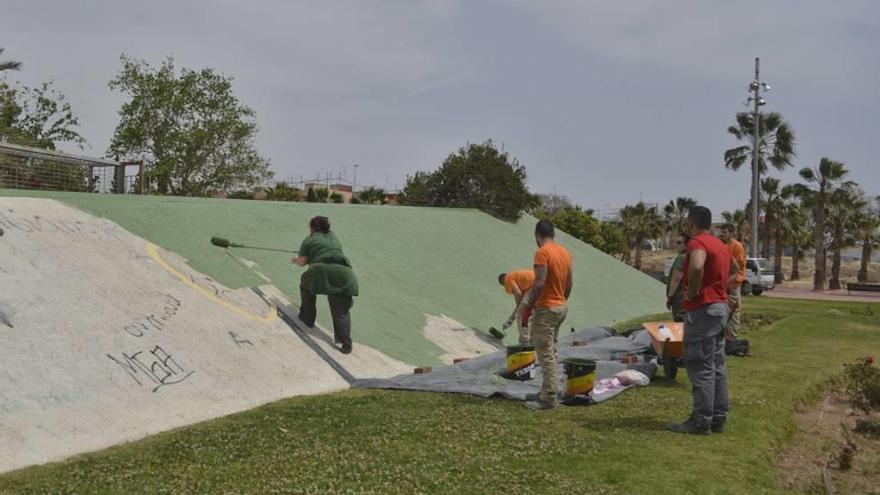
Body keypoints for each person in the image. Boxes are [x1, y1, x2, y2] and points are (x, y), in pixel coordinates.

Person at [667, 206, 739, 435]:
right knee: (717, 364)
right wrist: (720, 289)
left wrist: (696, 291)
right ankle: (718, 416)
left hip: (703, 311)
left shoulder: (697, 243)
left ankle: (701, 420)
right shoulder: (720, 244)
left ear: (691, 222)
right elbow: (735, 269)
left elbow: (697, 265)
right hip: (720, 309)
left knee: (700, 365)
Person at [520, 219, 573, 410]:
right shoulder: (565, 253)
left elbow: (540, 282)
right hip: (560, 307)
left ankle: (549, 397)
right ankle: (548, 389)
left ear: (537, 234)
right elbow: (569, 284)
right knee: (552, 349)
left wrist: (528, 305)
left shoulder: (542, 253)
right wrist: (561, 300)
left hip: (547, 309)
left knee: (544, 351)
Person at [292, 216, 359, 354]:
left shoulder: (309, 240)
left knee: (306, 285)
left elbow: (302, 262)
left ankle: (307, 318)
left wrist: (295, 259)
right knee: (341, 311)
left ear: (312, 228)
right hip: (345, 273)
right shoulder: (333, 237)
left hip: (320, 271)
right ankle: (346, 344)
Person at [719, 223, 746, 340]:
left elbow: (740, 266)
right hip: (723, 283)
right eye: (722, 232)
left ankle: (732, 337)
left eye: (725, 232)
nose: (722, 234)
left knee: (734, 311)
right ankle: (725, 336)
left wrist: (734, 283)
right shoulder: (722, 245)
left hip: (733, 284)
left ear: (731, 233)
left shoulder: (737, 246)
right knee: (723, 310)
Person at [498, 270, 536, 344]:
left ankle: (525, 343)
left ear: (504, 283)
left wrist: (516, 313)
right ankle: (532, 342)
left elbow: (518, 294)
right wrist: (511, 318)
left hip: (536, 285)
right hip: (544, 285)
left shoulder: (508, 279)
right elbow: (522, 302)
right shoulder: (521, 280)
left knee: (522, 314)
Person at [665, 233, 688, 323]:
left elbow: (676, 279)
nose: (676, 245)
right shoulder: (693, 256)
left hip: (679, 298)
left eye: (679, 243)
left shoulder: (681, 258)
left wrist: (670, 297)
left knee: (679, 324)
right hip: (688, 297)